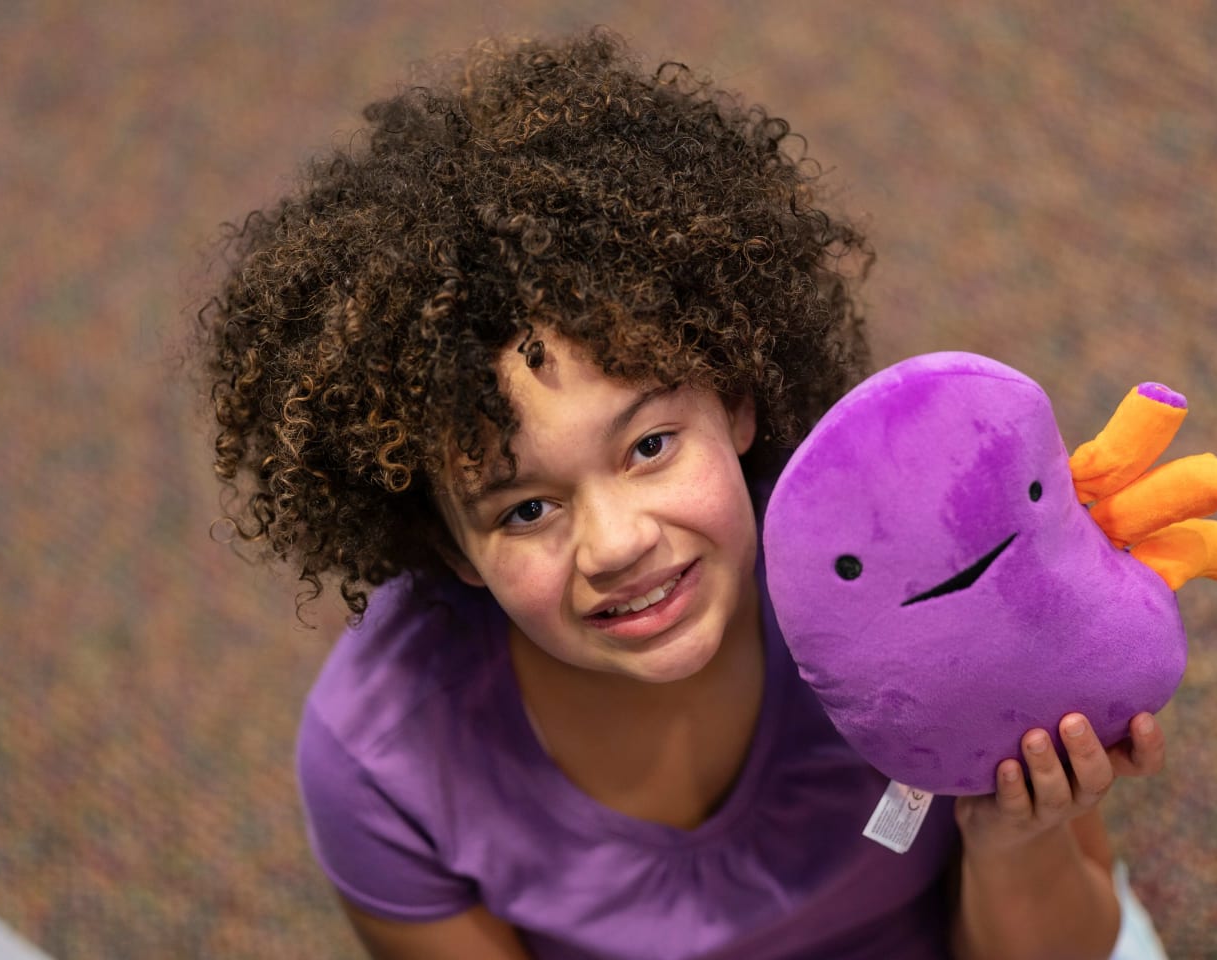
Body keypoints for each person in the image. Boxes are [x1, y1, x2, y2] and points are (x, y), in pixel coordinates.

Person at [199, 28, 1168, 960]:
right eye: (525, 509)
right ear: (450, 548)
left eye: (650, 445)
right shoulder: (379, 761)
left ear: (738, 401)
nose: (617, 544)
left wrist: (1017, 839)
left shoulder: (921, 565)